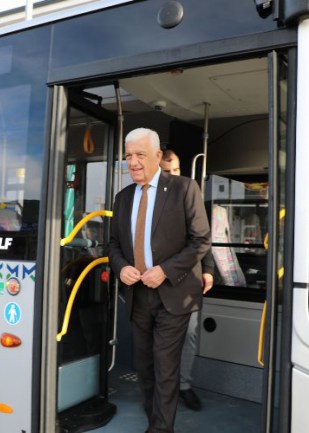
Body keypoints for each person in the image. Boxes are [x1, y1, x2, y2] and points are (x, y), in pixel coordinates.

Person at [108, 128, 211, 433]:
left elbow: (201, 239)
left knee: (165, 366)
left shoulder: (184, 188)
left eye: (140, 155)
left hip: (173, 294)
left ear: (156, 156)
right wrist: (121, 267)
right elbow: (113, 245)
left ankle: (160, 428)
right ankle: (154, 416)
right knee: (144, 366)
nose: (133, 162)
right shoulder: (122, 197)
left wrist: (165, 270)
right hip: (138, 295)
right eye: (128, 155)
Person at [160, 149, 214, 411]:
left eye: (176, 170)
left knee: (189, 335)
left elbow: (203, 236)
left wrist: (208, 269)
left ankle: (183, 386)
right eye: (167, 171)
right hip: (155, 281)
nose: (173, 176)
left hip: (187, 280)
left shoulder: (190, 194)